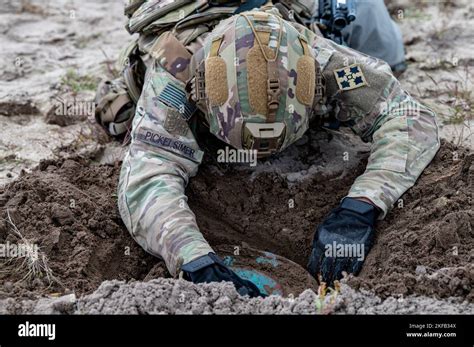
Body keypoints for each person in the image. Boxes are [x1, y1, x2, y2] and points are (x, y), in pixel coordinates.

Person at [98, 1, 439, 297]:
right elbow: (146, 178)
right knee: (117, 112)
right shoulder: (178, 78)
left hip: (299, 17)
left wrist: (362, 205)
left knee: (378, 37)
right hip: (194, 34)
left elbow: (407, 116)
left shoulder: (319, 57)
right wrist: (193, 260)